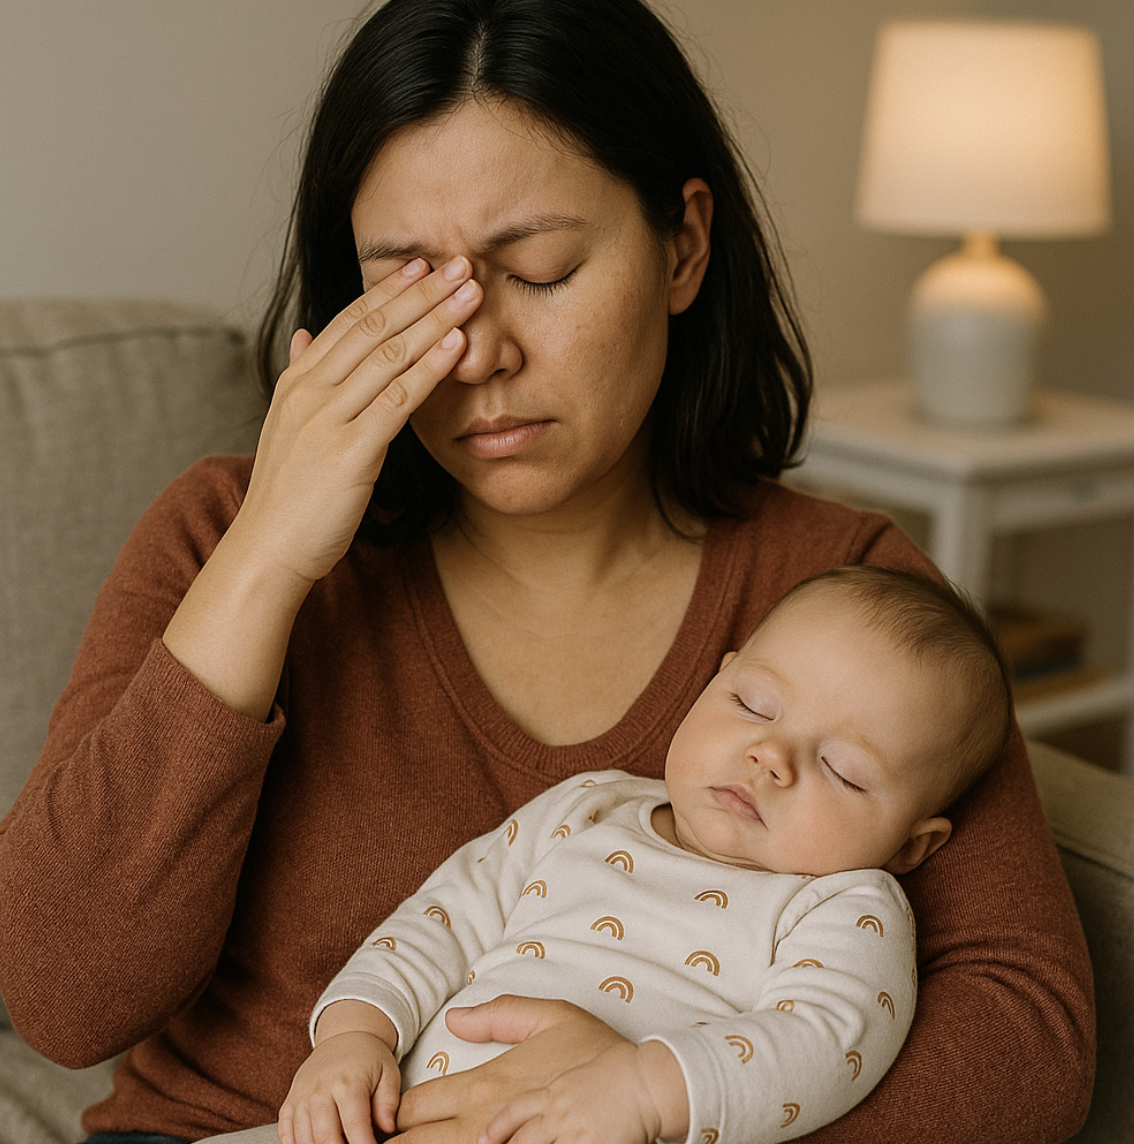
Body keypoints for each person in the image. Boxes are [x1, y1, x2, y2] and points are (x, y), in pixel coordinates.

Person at [0, 1, 1092, 1142]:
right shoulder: (220, 533)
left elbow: (1027, 1041)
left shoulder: (846, 604)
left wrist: (653, 1107)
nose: (476, 349)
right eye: (410, 284)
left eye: (542, 268)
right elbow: (64, 998)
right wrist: (268, 558)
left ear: (684, 246)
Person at [272, 566, 1011, 1144]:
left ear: (913, 843)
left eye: (843, 770)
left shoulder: (843, 904)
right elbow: (440, 919)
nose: (770, 757)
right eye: (753, 705)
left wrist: (643, 1091)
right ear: (714, 679)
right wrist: (353, 1037)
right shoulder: (588, 806)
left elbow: (825, 1042)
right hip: (391, 1116)